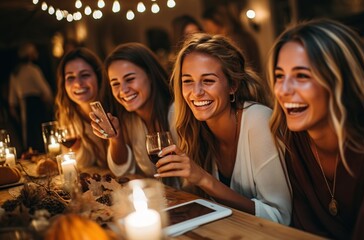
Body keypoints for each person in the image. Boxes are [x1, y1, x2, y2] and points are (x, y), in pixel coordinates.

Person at [269, 19, 364, 239]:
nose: (283, 90)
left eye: (302, 76)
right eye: (279, 76)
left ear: (342, 80)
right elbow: (302, 229)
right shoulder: (295, 139)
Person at [155, 33, 291, 224]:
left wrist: (202, 178)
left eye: (208, 80)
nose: (196, 92)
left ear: (232, 85)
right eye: (187, 81)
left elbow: (280, 217)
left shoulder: (258, 120)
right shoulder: (190, 126)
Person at [90, 42, 173, 179]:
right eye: (115, 83)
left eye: (130, 79)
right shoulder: (129, 120)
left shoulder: (176, 113)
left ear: (150, 75)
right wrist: (115, 137)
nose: (123, 90)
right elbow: (122, 171)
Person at [55, 47, 115, 168]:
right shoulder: (69, 115)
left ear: (98, 77)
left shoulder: (115, 110)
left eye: (85, 75)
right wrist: (76, 148)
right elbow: (81, 165)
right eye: (70, 77)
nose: (78, 83)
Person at [8, 42, 53, 152]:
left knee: (28, 135)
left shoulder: (15, 73)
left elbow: (12, 100)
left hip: (24, 106)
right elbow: (45, 90)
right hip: (36, 105)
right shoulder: (33, 70)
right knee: (39, 133)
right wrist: (50, 102)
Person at [202, 6, 262, 75]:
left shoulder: (232, 40)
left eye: (206, 24)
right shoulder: (243, 35)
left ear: (217, 21)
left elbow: (241, 66)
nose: (205, 28)